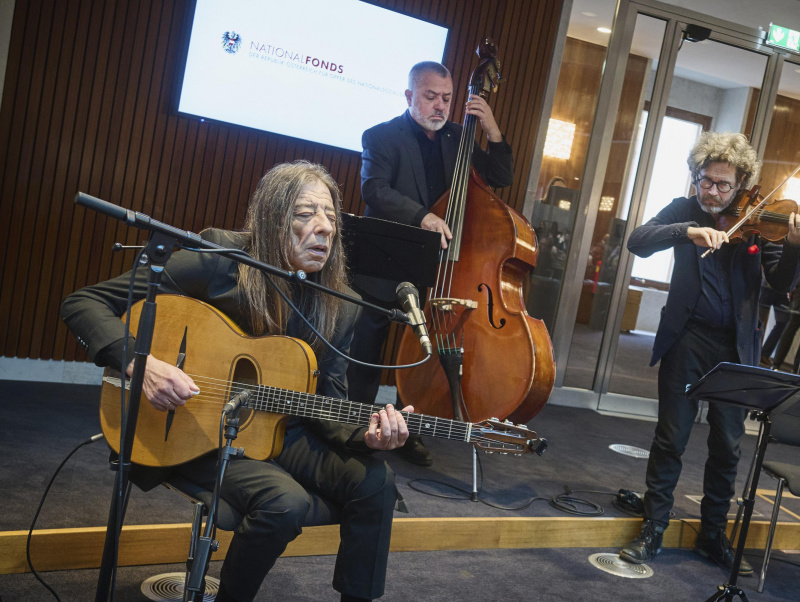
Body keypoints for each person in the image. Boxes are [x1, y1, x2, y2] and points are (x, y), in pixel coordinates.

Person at [61, 161, 413, 602]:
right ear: (271, 217)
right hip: (194, 424)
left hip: (287, 430)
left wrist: (368, 436)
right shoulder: (220, 260)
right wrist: (141, 362)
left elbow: (329, 403)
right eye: (305, 214)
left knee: (376, 482)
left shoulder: (342, 305)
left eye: (330, 216)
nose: (324, 228)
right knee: (285, 503)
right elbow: (84, 303)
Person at [619, 132, 800, 575]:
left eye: (723, 185)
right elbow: (638, 240)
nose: (713, 193)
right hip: (689, 338)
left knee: (728, 446)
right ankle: (653, 528)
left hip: (738, 347)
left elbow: (781, 286)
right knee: (671, 437)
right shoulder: (685, 210)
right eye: (706, 181)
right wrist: (688, 231)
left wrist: (795, 246)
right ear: (696, 177)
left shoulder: (758, 223)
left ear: (741, 186)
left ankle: (713, 535)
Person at [348, 60, 514, 465]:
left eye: (447, 98)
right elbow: (375, 189)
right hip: (383, 264)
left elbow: (499, 175)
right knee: (366, 353)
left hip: (435, 272)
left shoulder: (459, 137)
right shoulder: (381, 136)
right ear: (409, 96)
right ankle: (353, 428)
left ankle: (408, 432)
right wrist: (421, 216)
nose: (440, 106)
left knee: (419, 356)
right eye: (430, 96)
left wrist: (491, 128)